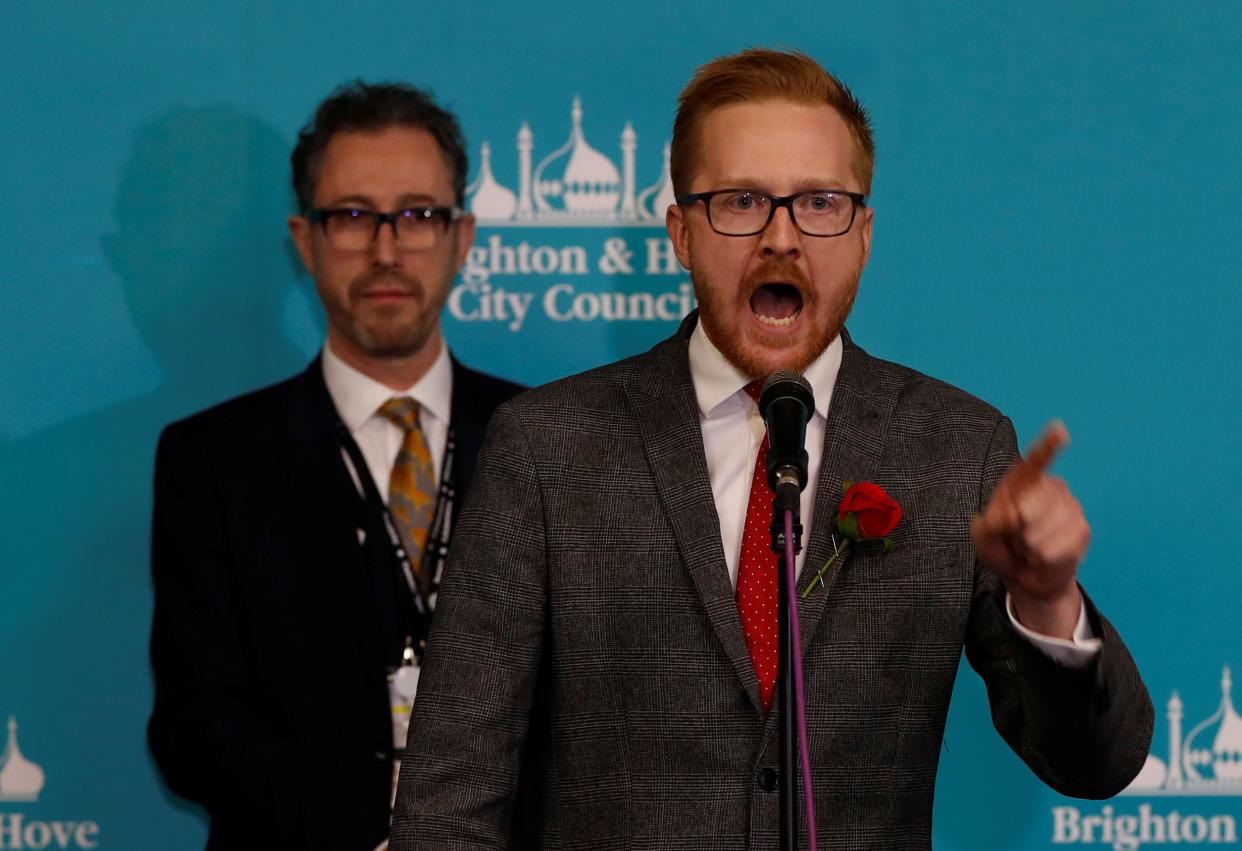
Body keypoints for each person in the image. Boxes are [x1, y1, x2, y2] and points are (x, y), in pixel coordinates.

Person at [389, 49, 1153, 849]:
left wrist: (1045, 602)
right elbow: (450, 800)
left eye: (821, 203)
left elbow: (1096, 764)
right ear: (681, 233)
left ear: (863, 233)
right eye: (742, 201)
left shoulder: (955, 447)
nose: (782, 238)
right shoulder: (548, 448)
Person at [147, 81, 523, 851]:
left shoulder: (555, 439)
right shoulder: (213, 462)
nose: (386, 249)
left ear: (464, 238)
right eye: (353, 216)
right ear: (305, 238)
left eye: (417, 215)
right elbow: (196, 720)